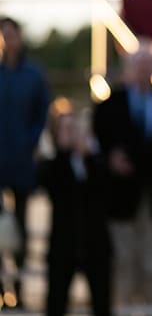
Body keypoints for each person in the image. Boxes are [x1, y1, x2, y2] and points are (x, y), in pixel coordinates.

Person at [92, 43, 152, 307]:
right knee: (123, 264)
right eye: (137, 66)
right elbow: (95, 148)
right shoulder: (109, 105)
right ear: (128, 69)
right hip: (120, 199)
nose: (142, 71)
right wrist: (111, 161)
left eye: (146, 65)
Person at [38, 97, 112, 316]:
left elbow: (106, 188)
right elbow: (53, 184)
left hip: (96, 244)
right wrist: (64, 150)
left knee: (102, 304)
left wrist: (88, 154)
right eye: (66, 128)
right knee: (56, 303)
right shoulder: (52, 163)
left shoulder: (95, 161)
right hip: (63, 245)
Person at [0, 17, 50, 309]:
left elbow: (41, 113)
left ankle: (17, 287)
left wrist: (30, 144)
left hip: (20, 163)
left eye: (12, 34)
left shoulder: (32, 74)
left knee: (20, 226)